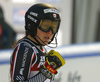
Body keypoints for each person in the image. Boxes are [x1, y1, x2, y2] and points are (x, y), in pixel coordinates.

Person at [10, 3, 65, 82]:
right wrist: (47, 71)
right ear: (32, 25)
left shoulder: (42, 49)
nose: (50, 32)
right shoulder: (25, 48)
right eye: (45, 26)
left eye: (54, 27)